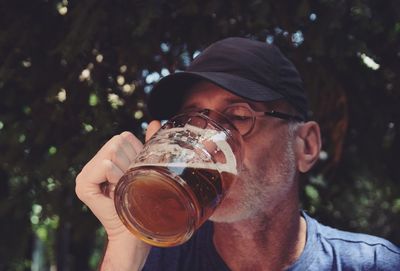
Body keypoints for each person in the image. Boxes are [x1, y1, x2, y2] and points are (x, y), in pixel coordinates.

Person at [75, 37, 400, 271]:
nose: (210, 143)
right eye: (193, 124)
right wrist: (124, 239)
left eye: (240, 117)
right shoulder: (154, 260)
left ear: (307, 146)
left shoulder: (371, 264)